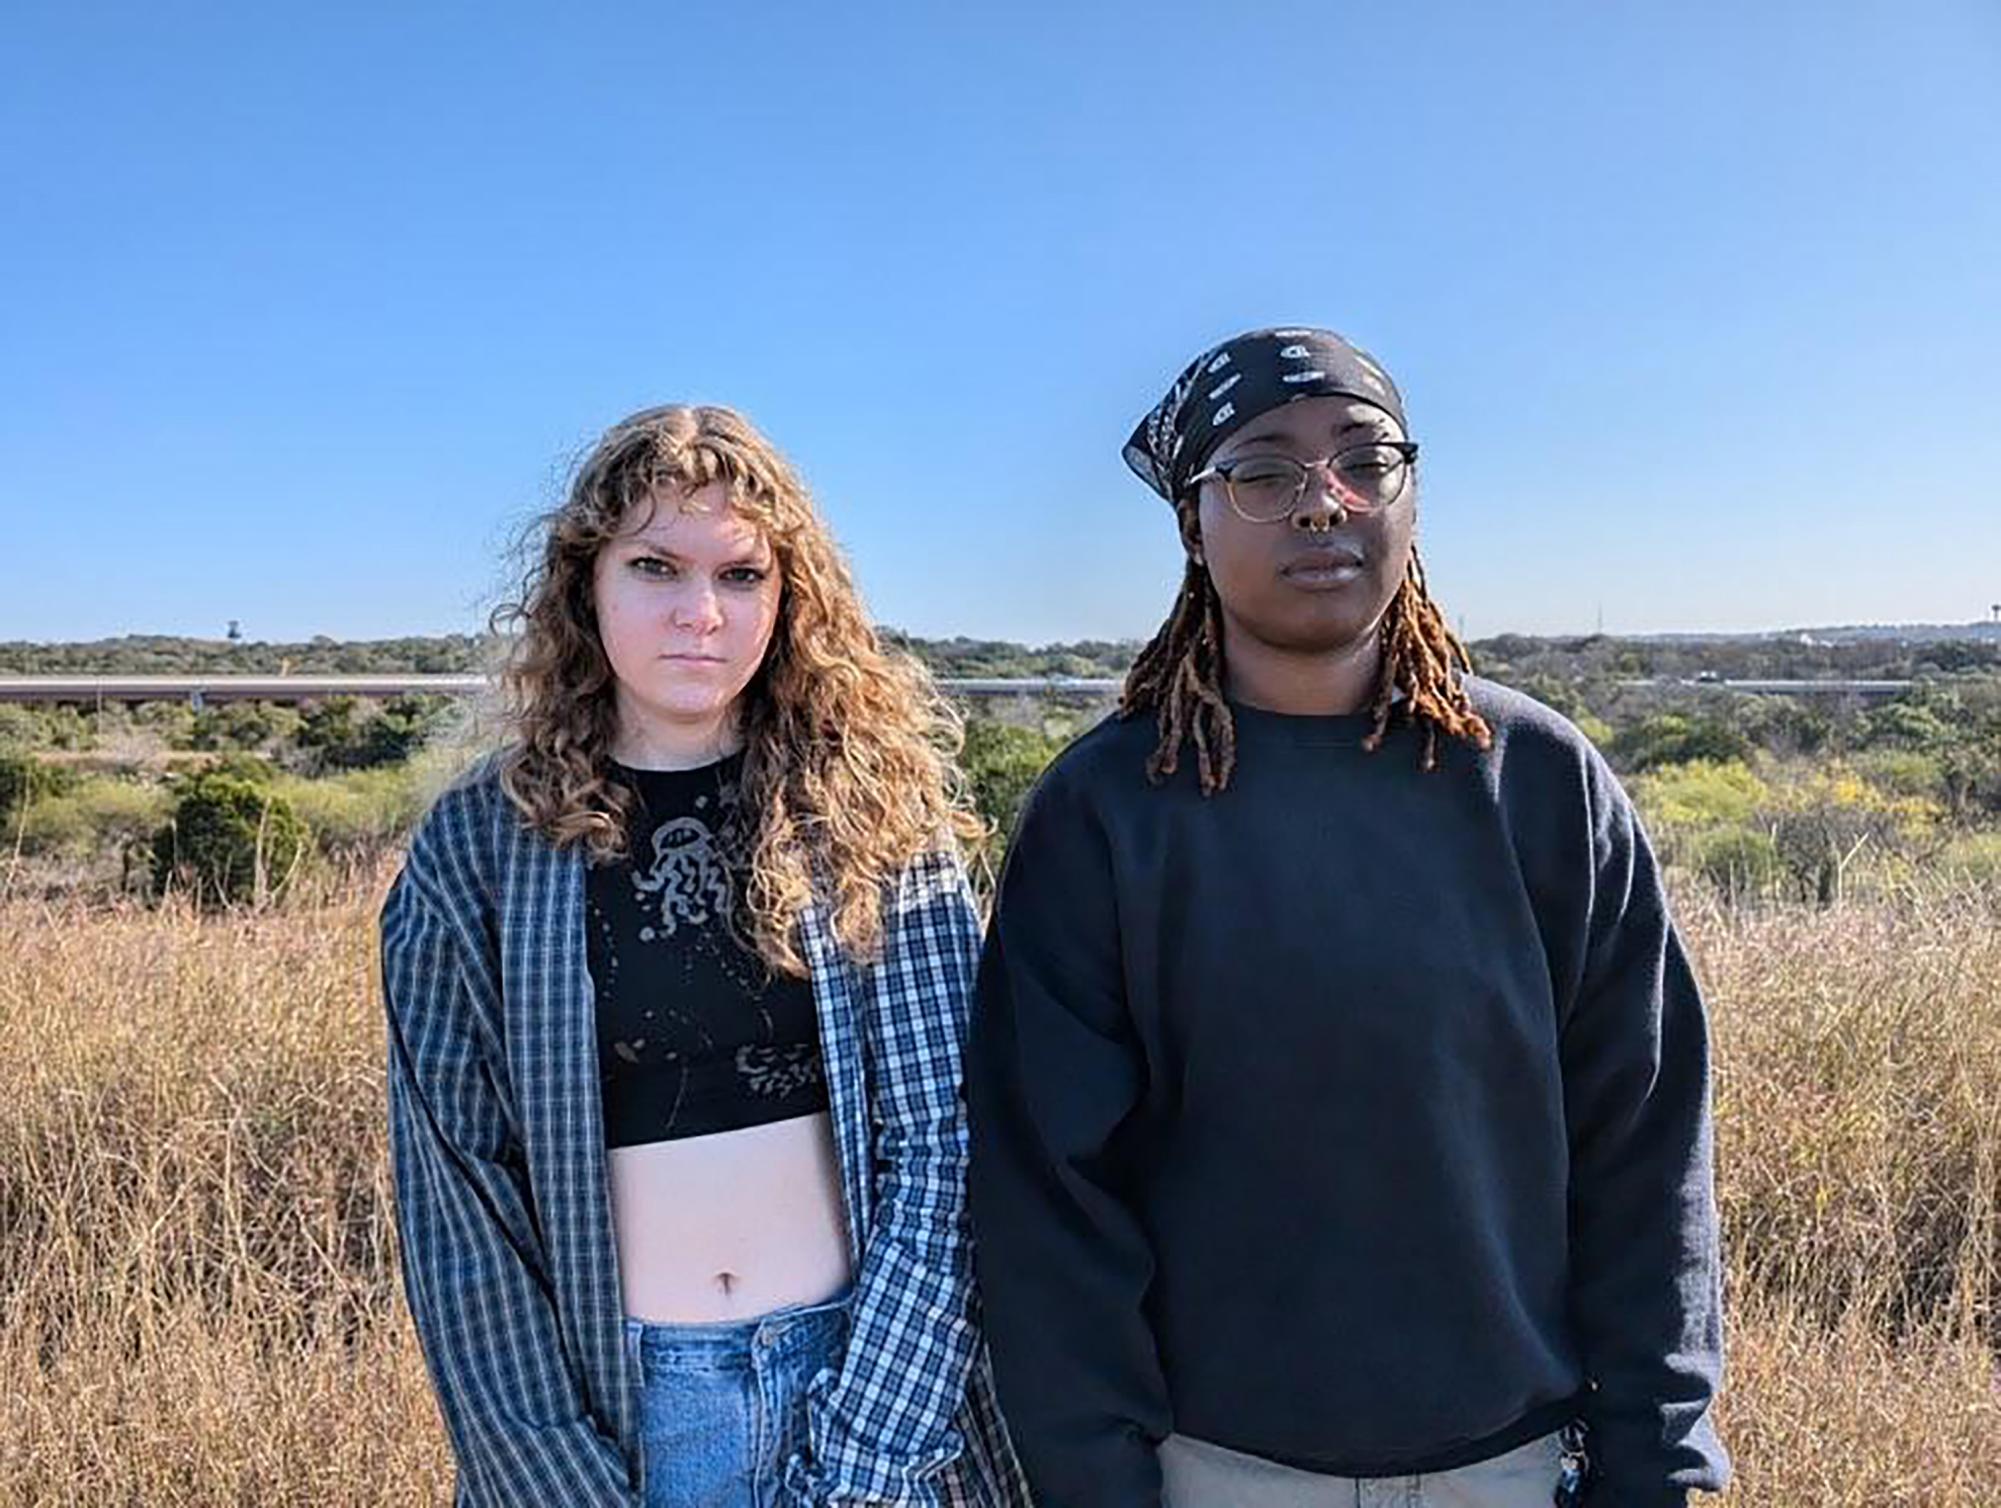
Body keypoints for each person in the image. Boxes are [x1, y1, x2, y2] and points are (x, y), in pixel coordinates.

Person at [966, 328, 1730, 1506]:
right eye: (1264, 472)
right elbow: (1050, 1202)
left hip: (1515, 1466)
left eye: (1364, 461)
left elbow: (1646, 1151)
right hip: (1211, 1471)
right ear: (1192, 521)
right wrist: (1099, 1479)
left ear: (1409, 496)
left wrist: (1655, 1462)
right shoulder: (1106, 813)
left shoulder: (1538, 783)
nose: (1325, 504)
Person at [379, 404, 1029, 1507]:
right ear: (587, 583)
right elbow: (458, 1206)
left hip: (869, 1388)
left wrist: (867, 1460)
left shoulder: (871, 811)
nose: (699, 613)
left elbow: (946, 1143)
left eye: (740, 576)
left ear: (790, 597)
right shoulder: (480, 849)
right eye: (655, 566)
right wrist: (560, 1478)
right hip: (629, 1408)